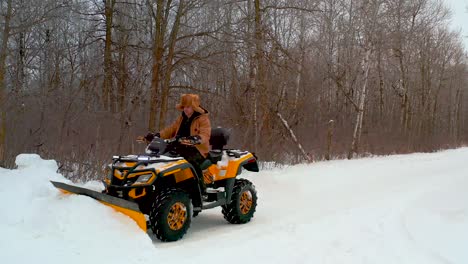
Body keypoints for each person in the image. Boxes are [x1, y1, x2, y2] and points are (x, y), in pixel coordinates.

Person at [142, 94, 211, 193]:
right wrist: (157, 135)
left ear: (194, 107)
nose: (185, 109)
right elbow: (171, 130)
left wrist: (196, 138)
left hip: (197, 149)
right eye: (184, 107)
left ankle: (201, 189)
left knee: (191, 162)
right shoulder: (182, 118)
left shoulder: (202, 119)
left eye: (188, 107)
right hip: (180, 146)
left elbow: (205, 134)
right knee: (162, 157)